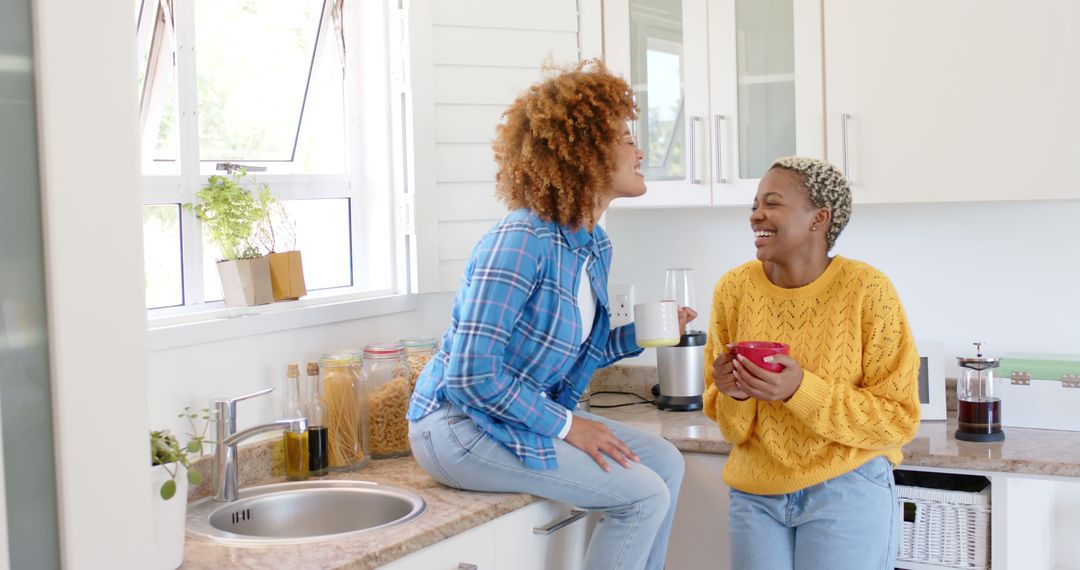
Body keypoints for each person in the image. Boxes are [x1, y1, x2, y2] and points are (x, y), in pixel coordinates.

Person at [406, 60, 690, 570]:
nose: (639, 150)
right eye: (624, 138)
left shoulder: (591, 245)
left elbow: (574, 351)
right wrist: (568, 426)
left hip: (510, 416)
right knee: (641, 496)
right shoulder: (521, 240)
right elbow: (470, 376)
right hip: (456, 428)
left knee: (665, 462)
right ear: (584, 152)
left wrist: (643, 335)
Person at [703, 156, 921, 570]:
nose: (756, 216)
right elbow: (730, 427)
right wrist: (731, 390)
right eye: (753, 205)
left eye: (771, 203)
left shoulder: (867, 290)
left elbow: (898, 419)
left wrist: (800, 391)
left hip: (847, 487)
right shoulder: (733, 289)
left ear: (819, 218)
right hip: (754, 495)